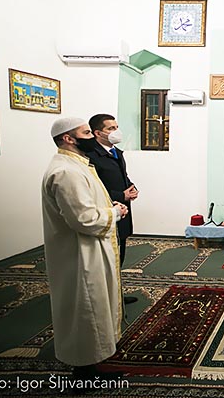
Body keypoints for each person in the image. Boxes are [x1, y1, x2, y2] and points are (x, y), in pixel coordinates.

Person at [41, 117, 128, 379]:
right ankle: (85, 373)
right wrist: (115, 212)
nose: (92, 137)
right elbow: (84, 219)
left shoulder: (78, 164)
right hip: (80, 254)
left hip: (89, 249)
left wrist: (111, 206)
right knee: (87, 307)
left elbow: (88, 204)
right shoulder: (66, 172)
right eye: (87, 132)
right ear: (69, 139)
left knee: (94, 304)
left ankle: (92, 363)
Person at [85, 114, 139, 305]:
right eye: (111, 128)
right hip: (105, 213)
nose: (116, 131)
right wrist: (120, 195)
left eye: (116, 127)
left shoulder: (116, 152)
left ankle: (115, 296)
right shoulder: (90, 156)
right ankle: (102, 298)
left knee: (118, 256)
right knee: (104, 260)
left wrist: (131, 188)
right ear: (97, 133)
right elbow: (93, 187)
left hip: (122, 212)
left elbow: (123, 176)